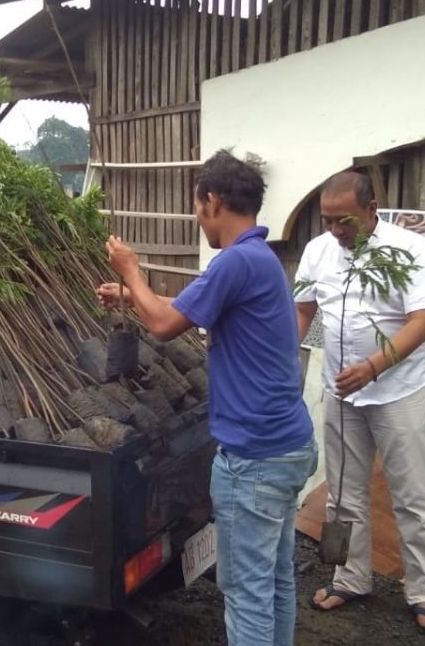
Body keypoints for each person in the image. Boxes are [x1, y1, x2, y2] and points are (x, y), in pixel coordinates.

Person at [98, 150, 316, 646]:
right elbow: (189, 306)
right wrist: (130, 294)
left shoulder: (235, 260)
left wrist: (131, 269)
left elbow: (164, 326)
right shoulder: (260, 260)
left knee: (245, 594)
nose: (198, 218)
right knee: (274, 581)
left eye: (198, 207)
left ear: (213, 200)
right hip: (288, 447)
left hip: (255, 461)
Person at [293, 171, 425, 638]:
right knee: (343, 492)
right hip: (342, 391)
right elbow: (303, 308)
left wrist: (375, 365)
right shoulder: (317, 250)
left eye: (344, 220)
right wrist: (286, 357)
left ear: (371, 209)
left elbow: (424, 319)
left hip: (399, 391)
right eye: (327, 220)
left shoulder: (410, 249)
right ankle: (350, 576)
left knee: (413, 494)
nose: (335, 230)